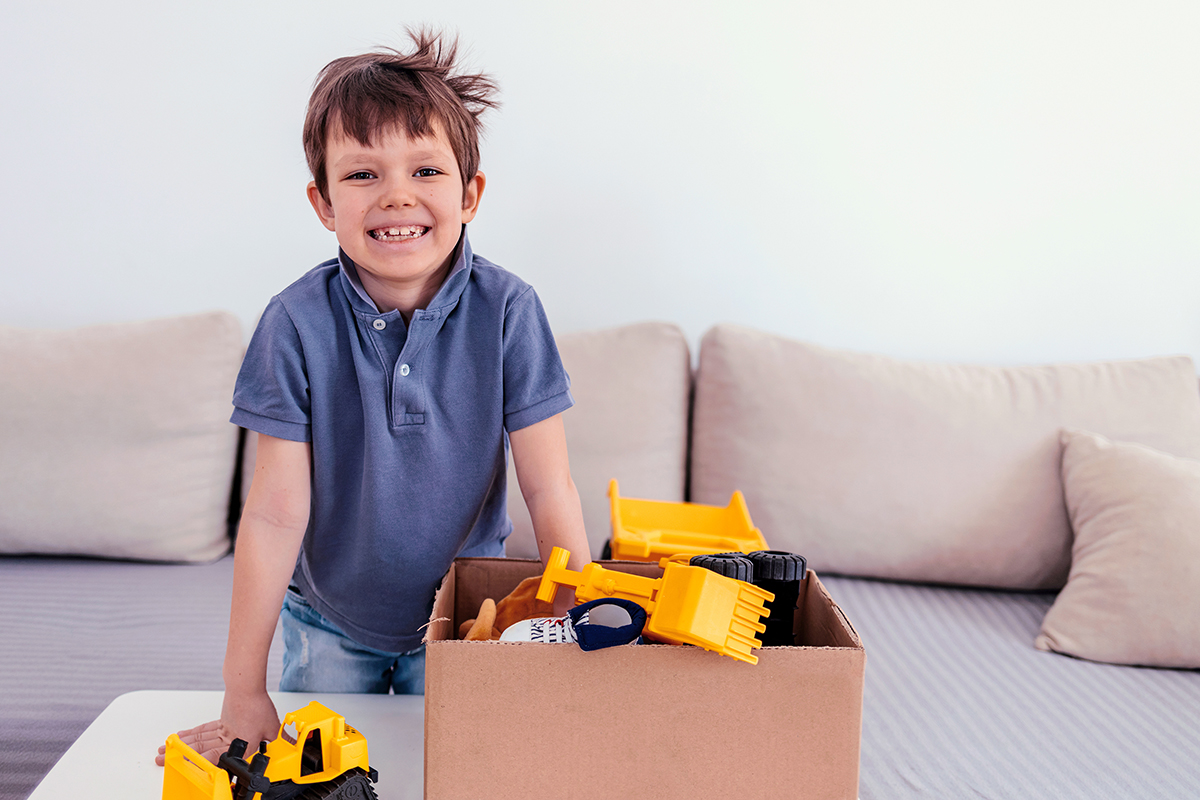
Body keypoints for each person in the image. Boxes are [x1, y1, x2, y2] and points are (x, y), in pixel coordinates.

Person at [157, 29, 590, 766]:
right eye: (362, 176)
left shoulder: (511, 311)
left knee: (447, 776)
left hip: (466, 623)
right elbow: (270, 512)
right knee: (321, 781)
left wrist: (581, 614)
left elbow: (548, 486)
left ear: (471, 194)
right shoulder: (292, 323)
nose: (397, 194)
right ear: (323, 203)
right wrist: (242, 690)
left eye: (425, 169)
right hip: (327, 624)